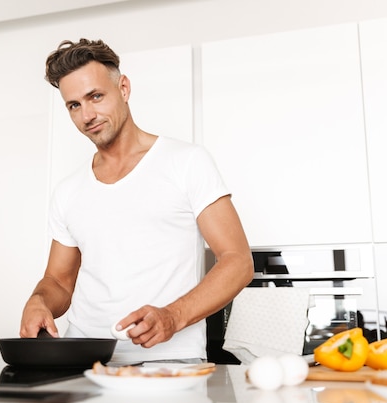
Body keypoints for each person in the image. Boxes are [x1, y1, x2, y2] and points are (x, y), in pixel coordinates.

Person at [20, 38, 254, 364]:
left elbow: (238, 261)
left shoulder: (186, 162)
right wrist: (38, 300)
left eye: (95, 96)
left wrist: (174, 316)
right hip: (83, 363)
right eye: (74, 105)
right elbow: (59, 280)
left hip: (168, 364)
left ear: (124, 88)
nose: (87, 115)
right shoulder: (68, 191)